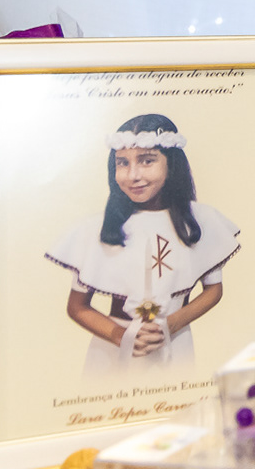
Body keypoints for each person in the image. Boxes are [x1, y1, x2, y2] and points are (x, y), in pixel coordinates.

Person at [46, 113, 241, 376]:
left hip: (175, 344)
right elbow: (77, 307)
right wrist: (121, 335)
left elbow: (213, 291)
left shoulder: (202, 220)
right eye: (123, 163)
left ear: (172, 164)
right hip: (112, 352)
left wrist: (170, 326)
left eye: (147, 161)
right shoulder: (95, 229)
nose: (133, 175)